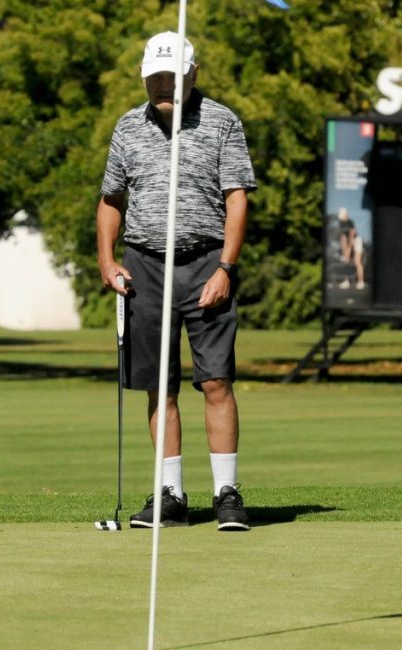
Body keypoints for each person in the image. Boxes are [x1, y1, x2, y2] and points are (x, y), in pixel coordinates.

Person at [96, 32, 257, 531]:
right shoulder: (128, 126)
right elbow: (111, 200)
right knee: (158, 385)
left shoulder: (222, 122)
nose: (164, 85)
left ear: (193, 74)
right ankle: (171, 495)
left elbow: (237, 198)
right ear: (144, 76)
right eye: (156, 77)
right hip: (144, 266)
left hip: (205, 261)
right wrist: (106, 260)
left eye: (173, 76)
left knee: (216, 380)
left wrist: (225, 268)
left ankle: (226, 493)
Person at [336, 206, 365, 290]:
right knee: (346, 261)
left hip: (356, 240)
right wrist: (345, 249)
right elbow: (343, 237)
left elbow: (352, 234)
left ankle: (361, 282)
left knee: (357, 261)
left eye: (344, 215)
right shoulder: (340, 223)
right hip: (348, 241)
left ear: (346, 214)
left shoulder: (350, 222)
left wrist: (349, 247)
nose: (343, 218)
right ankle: (346, 282)